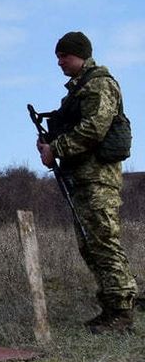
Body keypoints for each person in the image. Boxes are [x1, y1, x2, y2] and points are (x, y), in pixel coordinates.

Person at [37, 31, 136, 333]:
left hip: (98, 179)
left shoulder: (99, 85)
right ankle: (111, 308)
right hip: (82, 178)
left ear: (80, 54)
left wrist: (57, 148)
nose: (59, 62)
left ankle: (121, 312)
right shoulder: (79, 89)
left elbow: (94, 128)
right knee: (91, 245)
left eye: (64, 56)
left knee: (104, 241)